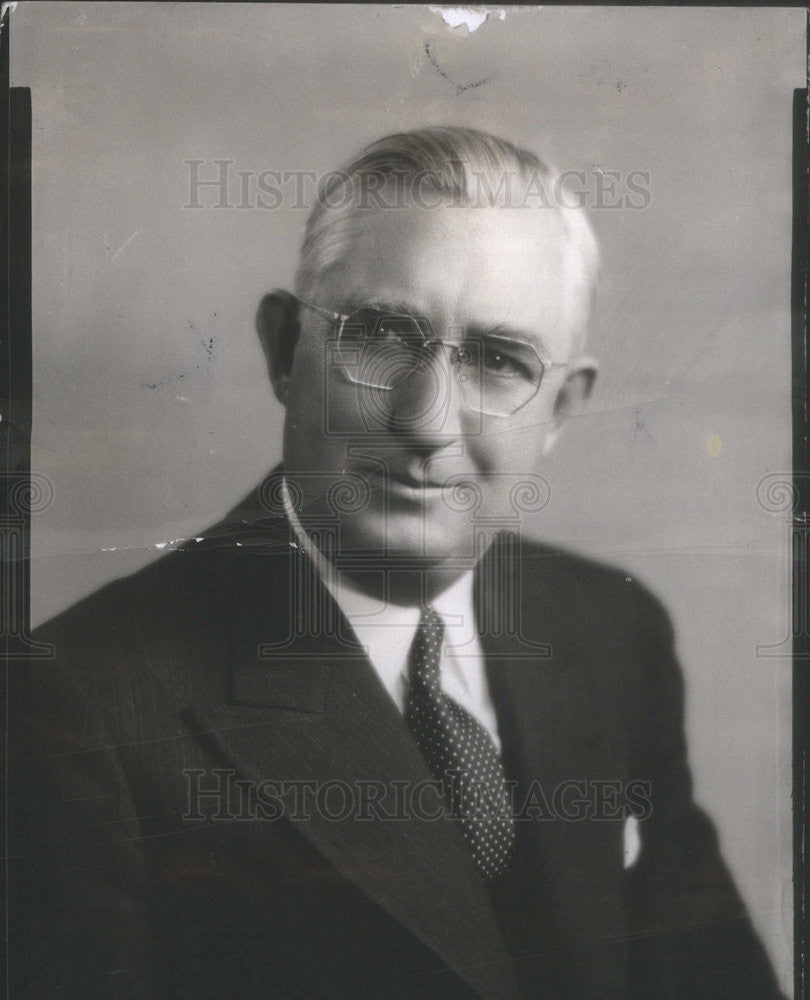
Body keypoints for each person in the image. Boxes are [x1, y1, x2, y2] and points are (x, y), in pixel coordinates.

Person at [8, 127, 785, 998]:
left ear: (561, 409)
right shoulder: (77, 707)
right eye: (380, 335)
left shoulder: (612, 628)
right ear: (282, 352)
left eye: (498, 361)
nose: (427, 422)